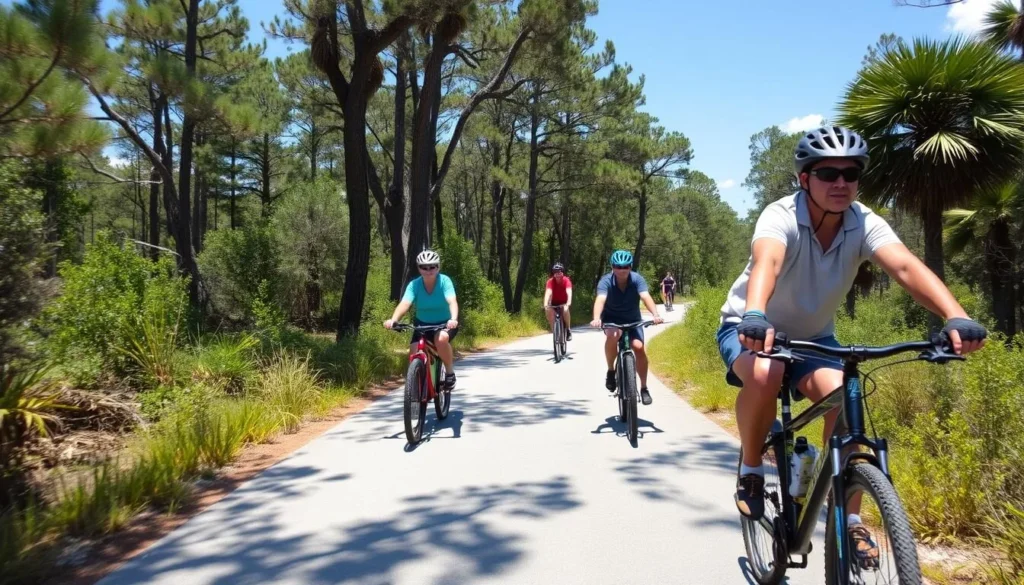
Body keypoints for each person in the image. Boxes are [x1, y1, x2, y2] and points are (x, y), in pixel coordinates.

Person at [718, 125, 987, 563]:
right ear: (805, 179)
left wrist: (955, 315)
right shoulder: (781, 215)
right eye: (827, 173)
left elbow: (903, 267)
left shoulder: (863, 221)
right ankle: (750, 468)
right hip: (747, 327)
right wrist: (754, 314)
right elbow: (767, 260)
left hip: (814, 340)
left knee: (845, 397)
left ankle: (850, 520)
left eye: (850, 173)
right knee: (767, 373)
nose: (840, 183)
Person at [590, 250, 665, 406]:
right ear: (612, 267)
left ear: (630, 267)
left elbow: (645, 296)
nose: (622, 270)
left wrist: (656, 314)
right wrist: (596, 318)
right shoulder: (605, 281)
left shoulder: (637, 279)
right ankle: (611, 371)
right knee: (613, 334)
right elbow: (600, 299)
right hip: (612, 319)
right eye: (618, 266)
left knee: (638, 347)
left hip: (633, 320)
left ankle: (644, 388)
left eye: (625, 267)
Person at [383, 249, 460, 390]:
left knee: (441, 339)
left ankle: (449, 372)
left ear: (438, 267)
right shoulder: (414, 285)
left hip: (445, 324)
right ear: (419, 268)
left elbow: (452, 301)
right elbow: (405, 303)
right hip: (422, 325)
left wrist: (453, 319)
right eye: (424, 267)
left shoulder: (445, 281)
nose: (428, 270)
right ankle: (417, 386)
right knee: (413, 350)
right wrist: (393, 320)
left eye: (432, 266)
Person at [543, 262, 573, 341]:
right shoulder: (550, 281)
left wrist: (568, 302)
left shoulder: (566, 281)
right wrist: (545, 304)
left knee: (566, 310)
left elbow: (569, 292)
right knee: (548, 310)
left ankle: (568, 330)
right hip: (553, 302)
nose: (557, 274)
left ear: (562, 272)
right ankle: (555, 331)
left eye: (559, 272)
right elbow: (548, 293)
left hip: (564, 302)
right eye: (555, 272)